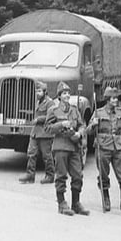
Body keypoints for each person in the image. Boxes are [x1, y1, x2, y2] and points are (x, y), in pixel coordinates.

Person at [45, 83, 89, 216]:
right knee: (61, 176)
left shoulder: (74, 110)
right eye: (64, 93)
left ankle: (76, 203)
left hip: (74, 147)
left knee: (78, 175)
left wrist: (79, 134)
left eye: (68, 93)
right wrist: (61, 124)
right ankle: (62, 203)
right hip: (60, 147)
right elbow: (47, 128)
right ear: (59, 96)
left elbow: (82, 125)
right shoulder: (53, 110)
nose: (67, 95)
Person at [89, 86, 121, 213]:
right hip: (103, 147)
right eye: (113, 99)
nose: (116, 101)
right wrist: (93, 124)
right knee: (103, 175)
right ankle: (106, 199)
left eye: (117, 98)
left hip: (118, 147)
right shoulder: (98, 112)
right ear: (107, 99)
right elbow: (88, 130)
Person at [18, 81, 55, 185]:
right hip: (35, 132)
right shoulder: (37, 102)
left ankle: (50, 175)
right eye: (36, 91)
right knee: (31, 153)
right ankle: (30, 175)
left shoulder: (50, 103)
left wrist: (38, 119)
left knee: (46, 156)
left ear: (45, 92)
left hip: (45, 133)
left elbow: (51, 117)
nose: (37, 93)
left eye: (39, 91)